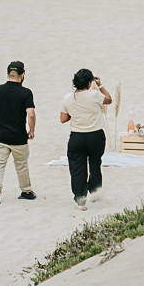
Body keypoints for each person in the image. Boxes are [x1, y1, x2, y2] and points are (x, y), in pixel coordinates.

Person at [60, 69, 111, 210]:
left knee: (77, 168)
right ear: (90, 82)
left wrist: (75, 114)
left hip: (77, 137)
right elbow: (109, 100)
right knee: (95, 163)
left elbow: (63, 119)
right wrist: (100, 85)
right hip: (95, 136)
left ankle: (81, 201)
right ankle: (94, 192)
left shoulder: (68, 97)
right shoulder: (95, 94)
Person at [0, 62, 37, 204]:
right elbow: (31, 114)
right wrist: (31, 130)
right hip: (19, 137)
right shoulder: (26, 92)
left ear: (8, 74)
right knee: (21, 164)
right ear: (22, 75)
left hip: (1, 135)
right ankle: (26, 191)